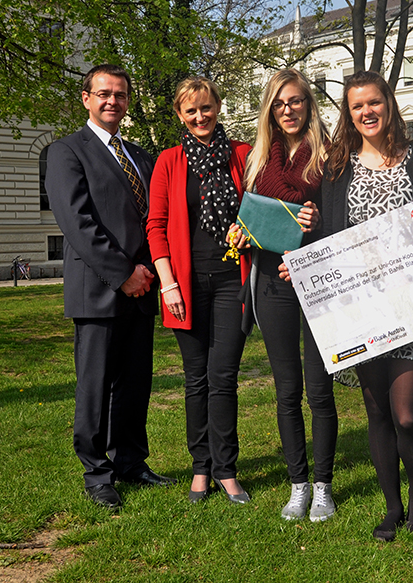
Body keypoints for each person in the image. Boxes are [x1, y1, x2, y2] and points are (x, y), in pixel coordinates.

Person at [311, 70, 413, 541]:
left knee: (407, 412)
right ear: (348, 115)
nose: (367, 112)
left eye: (374, 102)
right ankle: (392, 507)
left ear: (388, 104)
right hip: (360, 306)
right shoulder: (338, 168)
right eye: (357, 107)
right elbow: (323, 234)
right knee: (376, 411)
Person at [46, 64, 176, 510]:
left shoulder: (140, 155)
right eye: (103, 93)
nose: (112, 102)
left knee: (136, 383)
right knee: (96, 386)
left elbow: (154, 219)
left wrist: (151, 274)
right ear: (86, 97)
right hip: (100, 290)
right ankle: (96, 472)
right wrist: (124, 273)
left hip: (142, 291)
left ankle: (131, 462)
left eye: (120, 95)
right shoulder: (67, 151)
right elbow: (77, 223)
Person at [231, 69, 337, 521]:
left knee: (319, 390)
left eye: (295, 101)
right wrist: (242, 233)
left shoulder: (330, 157)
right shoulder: (259, 159)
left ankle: (323, 487)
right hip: (271, 283)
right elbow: (255, 218)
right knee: (286, 390)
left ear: (308, 105)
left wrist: (319, 227)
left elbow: (344, 221)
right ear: (270, 110)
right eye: (279, 103)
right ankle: (297, 486)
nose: (288, 110)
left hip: (316, 281)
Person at [146, 76, 251, 505]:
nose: (199, 116)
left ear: (218, 107)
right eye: (190, 110)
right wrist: (167, 283)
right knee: (196, 380)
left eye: (206, 107)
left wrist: (250, 229)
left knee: (223, 377)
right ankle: (200, 468)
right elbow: (155, 227)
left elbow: (262, 206)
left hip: (232, 282)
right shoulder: (169, 161)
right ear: (179, 114)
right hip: (184, 285)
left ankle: (227, 469)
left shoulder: (243, 154)